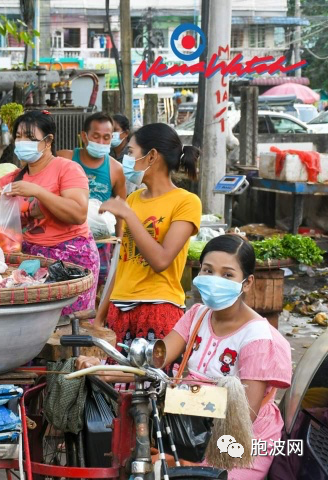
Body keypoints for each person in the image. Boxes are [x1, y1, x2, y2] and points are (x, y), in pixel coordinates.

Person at [77, 234, 291, 479]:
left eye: (228, 275)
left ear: (247, 282)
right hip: (193, 428)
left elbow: (245, 414)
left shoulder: (258, 337)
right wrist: (104, 368)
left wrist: (178, 396)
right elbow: (156, 358)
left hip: (239, 440)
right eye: (208, 271)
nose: (215, 280)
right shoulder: (197, 315)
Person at [0, 110, 99, 313]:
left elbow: (78, 213)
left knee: (69, 325)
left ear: (48, 141)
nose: (22, 142)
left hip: (71, 259)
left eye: (30, 137)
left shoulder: (67, 169)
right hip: (32, 261)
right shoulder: (16, 177)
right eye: (18, 136)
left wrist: (38, 192)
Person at [97, 122, 201, 349]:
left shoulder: (186, 202)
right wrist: (100, 315)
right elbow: (122, 263)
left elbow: (161, 260)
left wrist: (128, 215)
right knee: (115, 382)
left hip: (158, 308)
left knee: (150, 382)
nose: (126, 159)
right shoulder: (134, 199)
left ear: (152, 156)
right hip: (120, 309)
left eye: (131, 152)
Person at [57, 112, 126, 293]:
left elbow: (121, 210)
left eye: (106, 138)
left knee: (95, 289)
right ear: (84, 136)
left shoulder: (115, 169)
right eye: (96, 137)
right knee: (64, 286)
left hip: (101, 243)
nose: (101, 142)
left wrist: (118, 245)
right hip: (64, 239)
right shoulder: (65, 159)